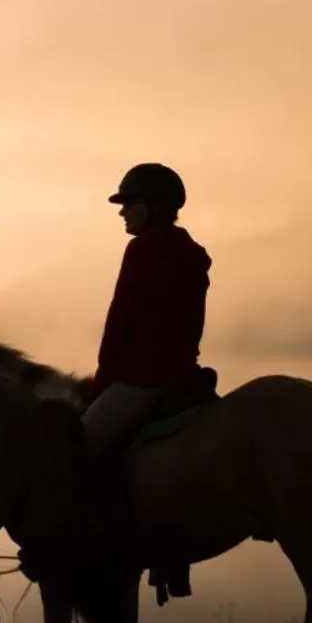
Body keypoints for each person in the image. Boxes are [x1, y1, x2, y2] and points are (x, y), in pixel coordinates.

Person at [82, 163, 211, 456]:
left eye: (129, 203)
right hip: (185, 376)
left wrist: (100, 387)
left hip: (142, 379)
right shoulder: (193, 252)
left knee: (76, 451)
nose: (122, 211)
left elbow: (119, 325)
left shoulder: (143, 248)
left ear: (154, 206)